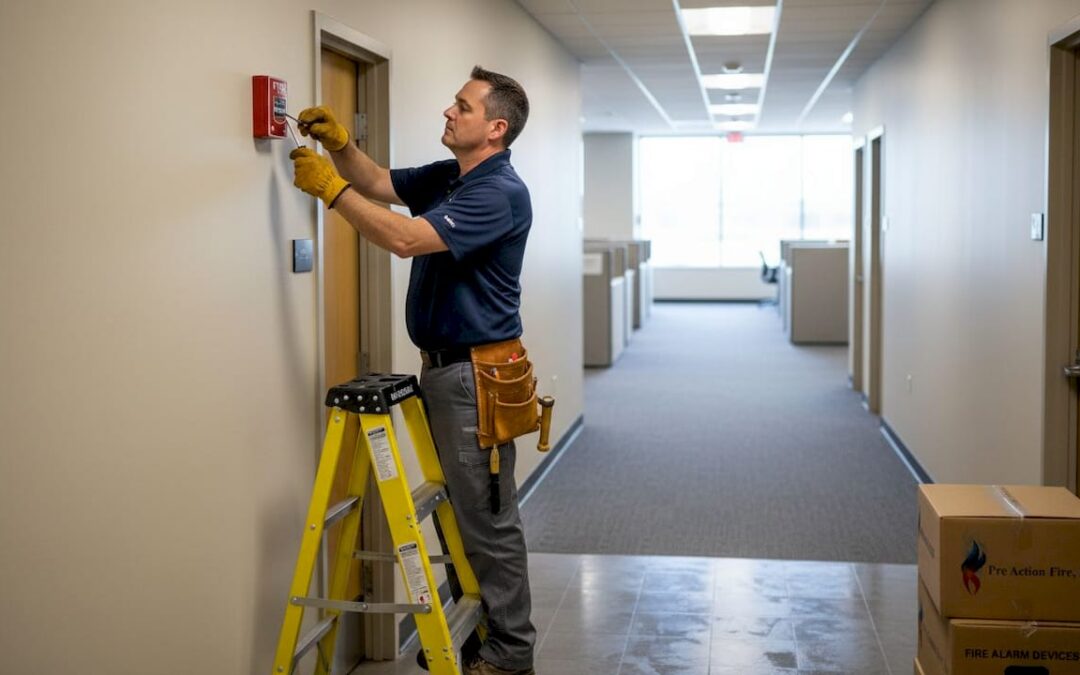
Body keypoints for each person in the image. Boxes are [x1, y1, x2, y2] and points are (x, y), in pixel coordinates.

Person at [289, 66, 536, 675]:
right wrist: (342, 147)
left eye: (463, 107)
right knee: (461, 512)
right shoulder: (452, 177)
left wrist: (332, 193)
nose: (449, 113)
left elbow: (402, 239)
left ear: (495, 128)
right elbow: (376, 181)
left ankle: (510, 655)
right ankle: (478, 637)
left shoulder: (498, 192)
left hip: (477, 376)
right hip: (446, 373)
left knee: (486, 518)